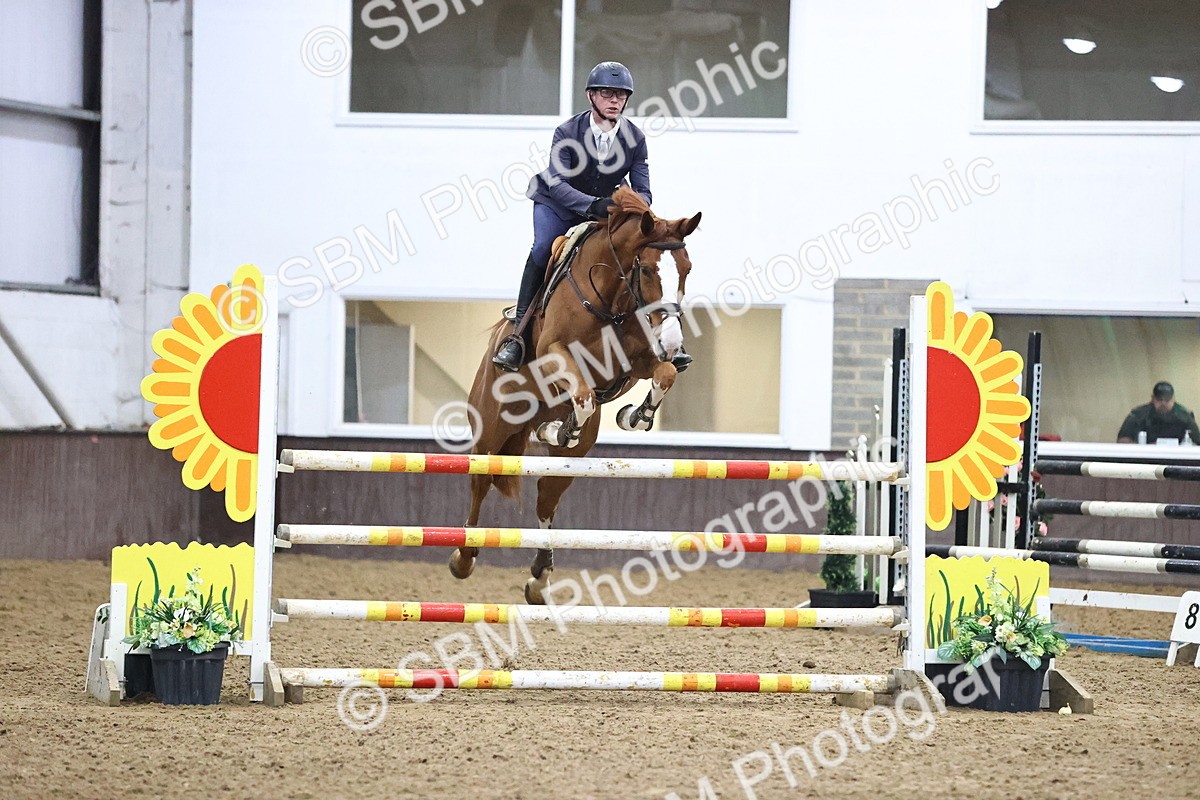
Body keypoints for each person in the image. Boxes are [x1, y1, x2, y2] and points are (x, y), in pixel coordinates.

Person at [493, 61, 674, 373]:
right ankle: (517, 335)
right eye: (607, 93)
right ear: (591, 96)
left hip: (606, 208)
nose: (615, 99)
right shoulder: (567, 132)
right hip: (558, 205)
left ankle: (657, 333)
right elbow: (558, 184)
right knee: (542, 248)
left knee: (638, 255)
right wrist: (594, 205)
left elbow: (644, 192)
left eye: (621, 94)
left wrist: (629, 205)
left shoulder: (635, 138)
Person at [1117, 381, 1200, 444]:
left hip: (1177, 458)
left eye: (1167, 400)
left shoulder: (1185, 416)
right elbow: (1123, 440)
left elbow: (1197, 442)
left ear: (1173, 399)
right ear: (1152, 398)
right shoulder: (1138, 414)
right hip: (1146, 458)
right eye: (1159, 400)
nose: (1163, 403)